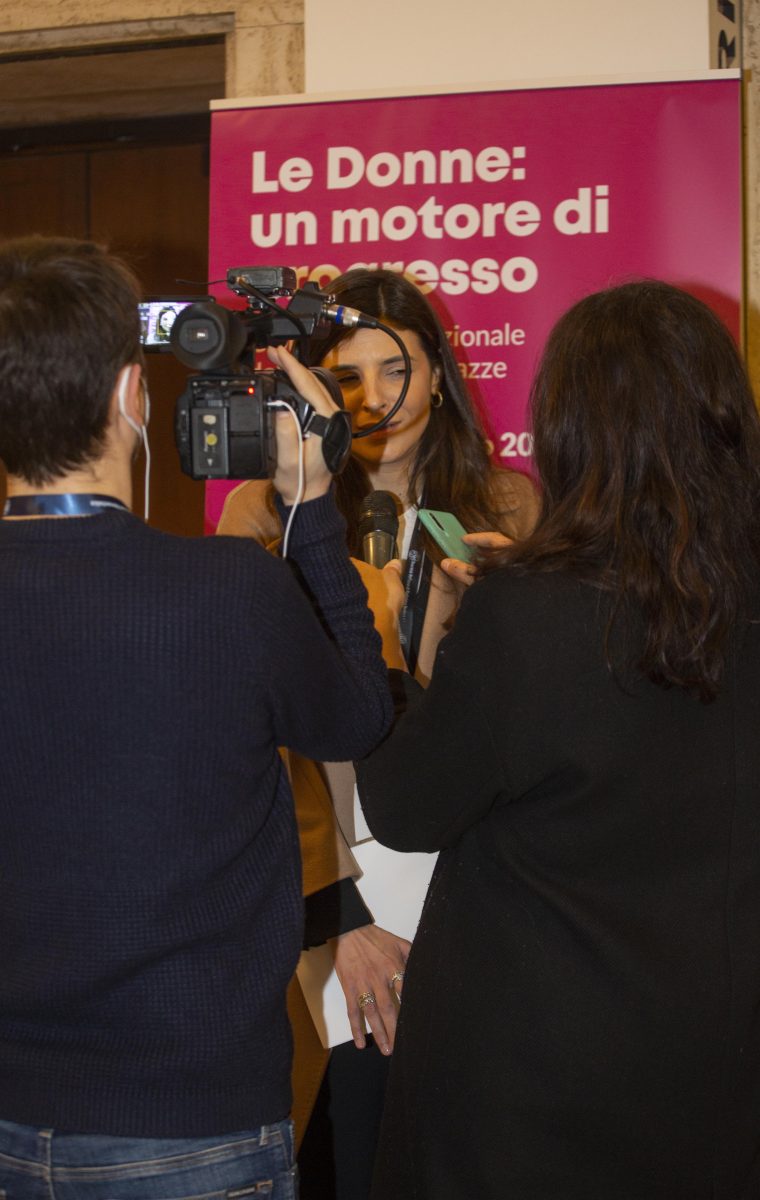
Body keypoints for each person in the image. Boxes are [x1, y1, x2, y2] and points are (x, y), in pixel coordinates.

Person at [0, 236, 392, 1200]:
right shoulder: (226, 590)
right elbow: (357, 718)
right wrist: (311, 508)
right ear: (132, 394)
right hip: (191, 1121)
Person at [355, 279, 760, 1200]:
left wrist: (382, 652)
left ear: (572, 430)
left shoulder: (530, 617)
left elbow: (408, 807)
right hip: (716, 1080)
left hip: (526, 1092)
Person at [218, 267, 539, 1198]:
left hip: (477, 871)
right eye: (347, 377)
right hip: (330, 877)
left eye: (396, 369)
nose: (373, 400)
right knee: (350, 1127)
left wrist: (513, 608)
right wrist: (340, 918)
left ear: (439, 372)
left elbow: (535, 719)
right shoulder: (263, 513)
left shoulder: (510, 509)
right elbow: (250, 737)